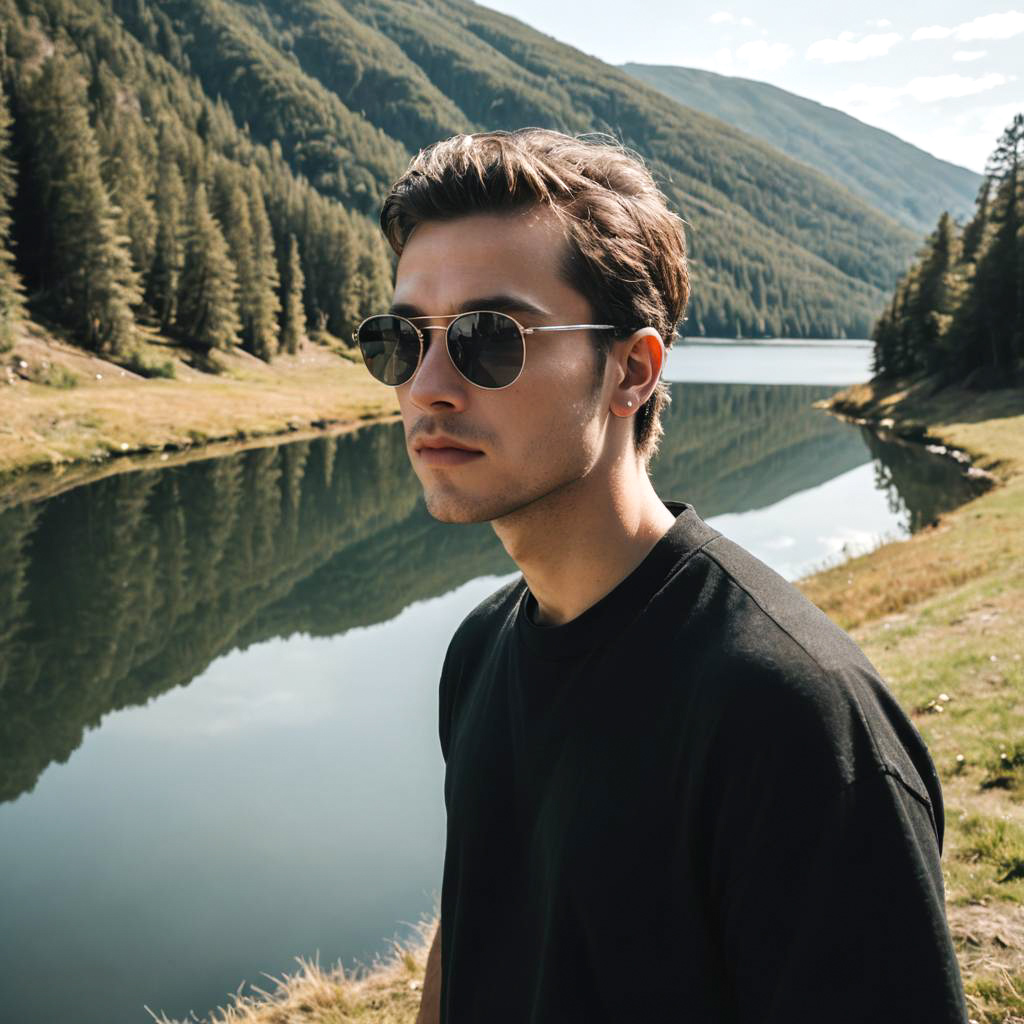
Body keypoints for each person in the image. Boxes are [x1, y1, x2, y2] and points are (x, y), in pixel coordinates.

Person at [354, 128, 968, 1024]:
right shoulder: (481, 650)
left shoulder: (796, 720)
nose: (429, 386)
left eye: (491, 340)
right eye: (403, 339)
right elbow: (476, 927)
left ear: (631, 372)